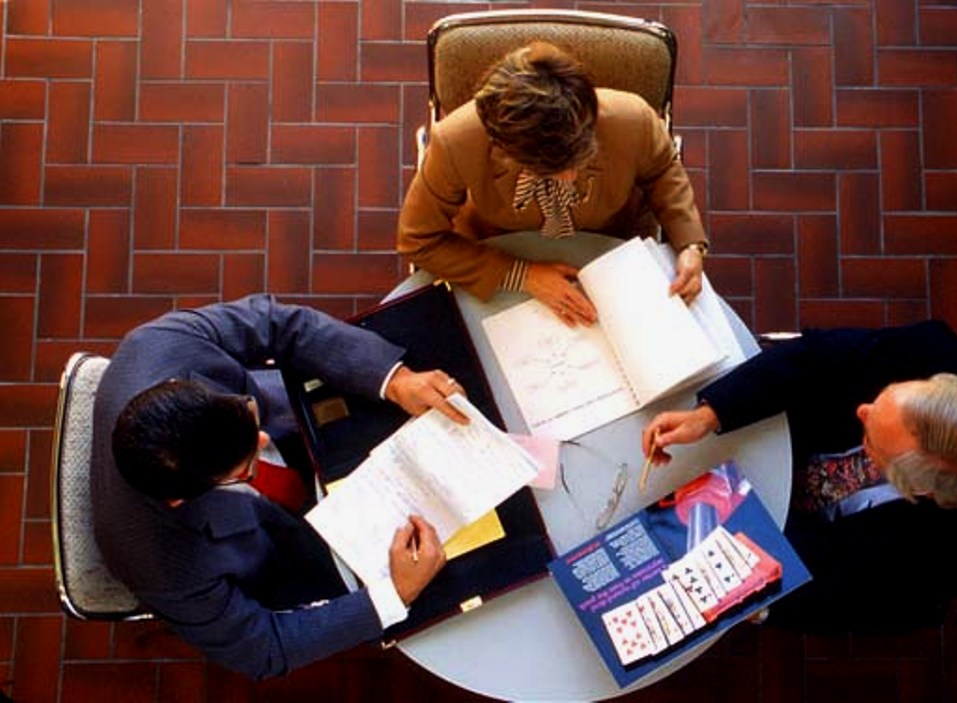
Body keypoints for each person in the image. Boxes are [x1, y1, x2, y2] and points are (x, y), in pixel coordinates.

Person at [91, 295, 469, 680]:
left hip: (308, 428)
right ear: (179, 500)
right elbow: (265, 649)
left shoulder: (157, 344)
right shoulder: (162, 564)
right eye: (244, 467)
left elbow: (277, 323)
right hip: (295, 553)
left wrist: (394, 380)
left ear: (179, 385)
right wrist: (393, 596)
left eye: (246, 415)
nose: (261, 441)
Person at [640, 320, 957, 633]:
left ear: (918, 489)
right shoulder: (930, 351)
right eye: (884, 398)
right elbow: (817, 357)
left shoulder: (945, 559)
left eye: (873, 441)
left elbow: (840, 599)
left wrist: (757, 599)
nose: (863, 411)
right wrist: (710, 414)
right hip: (779, 435)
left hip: (797, 543)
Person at [398, 41, 710, 327]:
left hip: (611, 245)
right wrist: (521, 274)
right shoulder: (455, 142)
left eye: (580, 157)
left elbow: (663, 170)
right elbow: (418, 240)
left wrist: (689, 245)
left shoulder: (634, 119)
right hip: (498, 249)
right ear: (501, 145)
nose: (570, 178)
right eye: (550, 170)